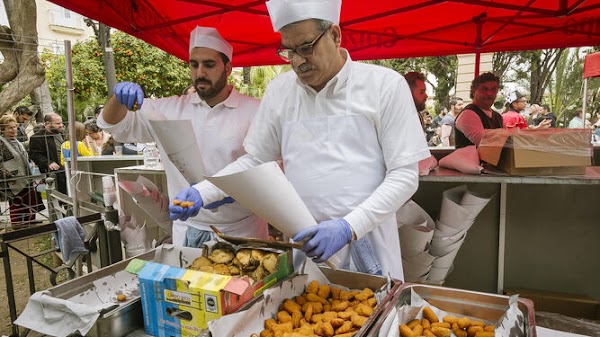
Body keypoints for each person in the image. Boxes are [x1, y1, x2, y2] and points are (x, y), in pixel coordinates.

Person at [172, 0, 430, 280]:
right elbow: (257, 158)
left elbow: (404, 176)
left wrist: (348, 226)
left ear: (334, 34)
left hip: (369, 243)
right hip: (304, 247)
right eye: (289, 51)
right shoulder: (280, 92)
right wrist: (205, 191)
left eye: (306, 47)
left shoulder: (384, 86)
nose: (297, 61)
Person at [97, 26, 268, 247]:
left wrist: (235, 194)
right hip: (187, 229)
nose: (200, 73)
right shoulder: (169, 109)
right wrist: (117, 98)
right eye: (194, 64)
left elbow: (267, 167)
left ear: (227, 68)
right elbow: (114, 125)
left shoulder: (255, 111)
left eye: (209, 64)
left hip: (242, 230)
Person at [1, 115, 44, 227]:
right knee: (17, 204)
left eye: (15, 127)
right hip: (13, 181)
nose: (14, 129)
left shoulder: (16, 141)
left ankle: (29, 225)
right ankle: (19, 227)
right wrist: (9, 176)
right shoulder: (1, 143)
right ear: (2, 129)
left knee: (31, 201)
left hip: (25, 178)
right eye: (10, 128)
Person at [454, 72, 503, 148]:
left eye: (493, 89)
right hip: (470, 160)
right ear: (474, 92)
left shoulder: (498, 116)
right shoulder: (468, 114)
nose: (489, 93)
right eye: (484, 89)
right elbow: (483, 141)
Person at [29, 113, 67, 195]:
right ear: (47, 123)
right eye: (57, 123)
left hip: (67, 170)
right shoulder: (37, 137)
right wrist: (48, 162)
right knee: (56, 199)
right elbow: (35, 155)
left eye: (61, 123)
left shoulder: (62, 134)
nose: (61, 125)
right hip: (53, 174)